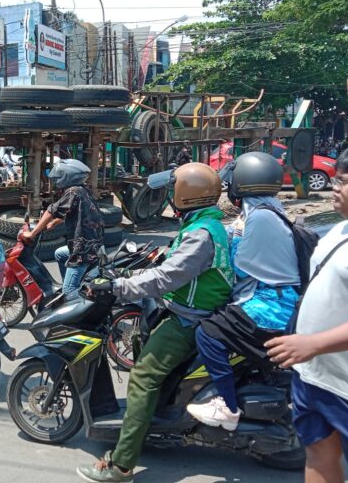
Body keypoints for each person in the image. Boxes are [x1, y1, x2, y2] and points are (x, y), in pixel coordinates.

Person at [77, 162, 233, 483]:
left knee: (142, 378)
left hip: (189, 320)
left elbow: (167, 277)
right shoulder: (202, 225)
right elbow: (173, 262)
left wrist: (118, 288)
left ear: (185, 195)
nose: (167, 197)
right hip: (189, 310)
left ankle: (121, 465)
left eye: (171, 190)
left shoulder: (202, 234)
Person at [265, 142, 348, 483]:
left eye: (343, 181)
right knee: (318, 455)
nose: (333, 186)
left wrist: (313, 343)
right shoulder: (341, 228)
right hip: (314, 376)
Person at [186, 152, 300, 431]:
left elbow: (241, 263)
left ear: (243, 185)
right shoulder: (268, 210)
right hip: (276, 298)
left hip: (269, 305)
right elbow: (237, 233)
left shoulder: (260, 218)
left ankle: (227, 405)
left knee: (208, 333)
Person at [21, 159, 103, 300]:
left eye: (58, 177)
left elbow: (51, 210)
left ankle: (71, 297)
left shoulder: (72, 191)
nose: (56, 180)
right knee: (60, 254)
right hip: (93, 245)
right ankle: (70, 281)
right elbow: (73, 211)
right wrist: (54, 223)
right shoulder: (83, 190)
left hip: (82, 251)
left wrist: (32, 233)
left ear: (67, 177)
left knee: (68, 291)